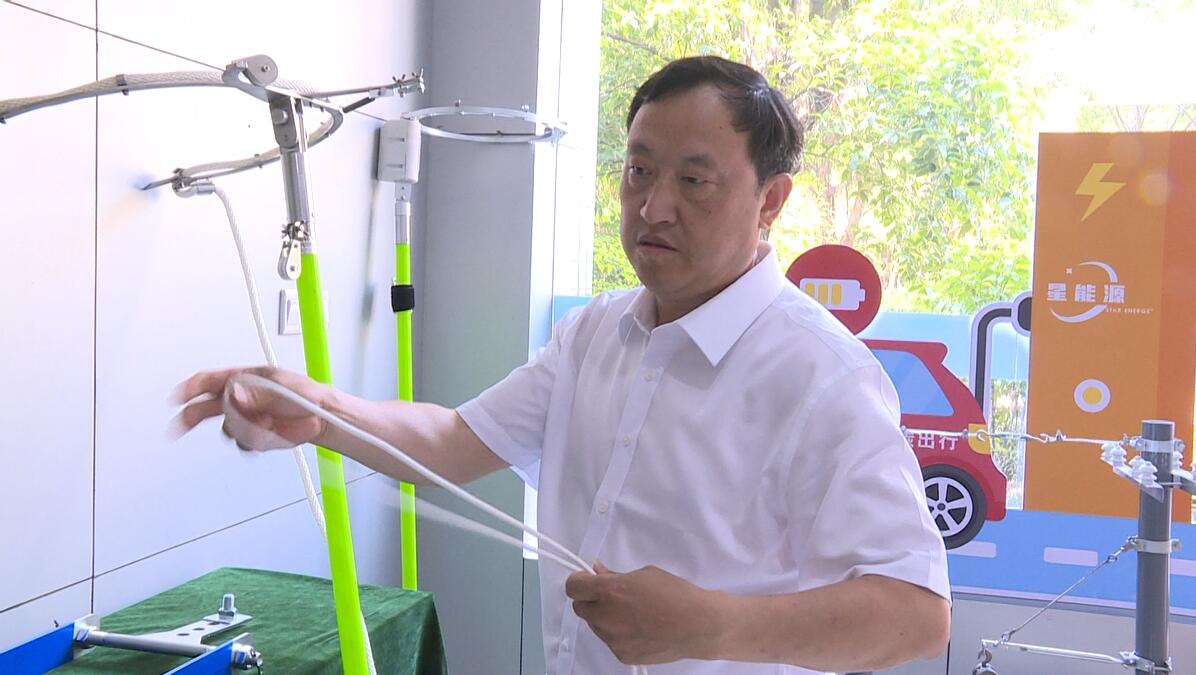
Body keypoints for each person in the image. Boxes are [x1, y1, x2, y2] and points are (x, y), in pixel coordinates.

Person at [174, 56, 950, 674]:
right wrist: (319, 411)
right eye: (639, 171)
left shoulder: (822, 374)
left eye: (694, 180)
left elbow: (916, 613)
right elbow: (453, 441)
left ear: (771, 200)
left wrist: (714, 625)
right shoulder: (596, 332)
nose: (654, 207)